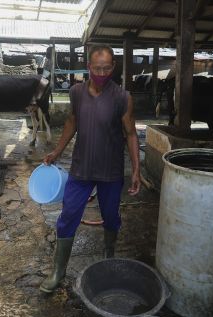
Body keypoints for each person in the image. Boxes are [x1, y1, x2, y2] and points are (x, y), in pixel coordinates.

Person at [39, 45, 141, 293]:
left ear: (113, 67)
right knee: (68, 215)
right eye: (97, 69)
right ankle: (58, 271)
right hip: (81, 168)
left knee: (111, 217)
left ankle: (107, 255)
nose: (102, 73)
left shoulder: (122, 97)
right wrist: (57, 151)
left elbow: (130, 134)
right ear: (89, 67)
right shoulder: (76, 92)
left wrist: (137, 169)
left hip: (110, 171)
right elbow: (71, 122)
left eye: (107, 68)